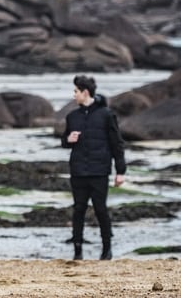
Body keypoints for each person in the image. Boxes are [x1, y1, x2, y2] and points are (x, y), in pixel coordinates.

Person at [61, 75, 126, 261]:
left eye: (76, 91)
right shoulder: (72, 116)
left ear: (85, 92)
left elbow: (117, 143)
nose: (74, 95)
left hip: (99, 171)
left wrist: (120, 171)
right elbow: (64, 141)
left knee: (100, 209)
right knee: (78, 209)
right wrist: (68, 140)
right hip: (78, 171)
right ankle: (77, 250)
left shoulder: (106, 115)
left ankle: (107, 249)